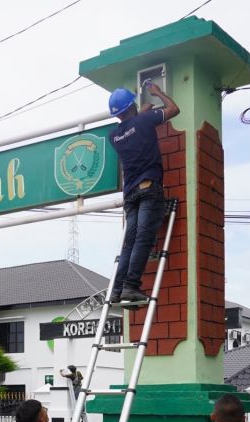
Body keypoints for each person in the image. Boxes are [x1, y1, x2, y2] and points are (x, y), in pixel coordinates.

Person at [107, 80, 179, 306]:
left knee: (129, 244)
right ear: (131, 107)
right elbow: (174, 109)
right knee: (143, 240)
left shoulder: (114, 136)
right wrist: (158, 93)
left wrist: (141, 112)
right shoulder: (144, 120)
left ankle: (117, 290)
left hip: (130, 195)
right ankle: (131, 287)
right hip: (148, 190)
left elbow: (133, 123)